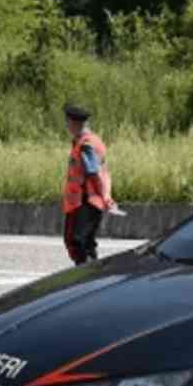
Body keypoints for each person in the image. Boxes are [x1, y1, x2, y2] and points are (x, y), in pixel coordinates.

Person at [61, 102, 115, 265]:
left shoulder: (85, 145)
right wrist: (105, 196)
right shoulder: (94, 140)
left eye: (68, 122)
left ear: (75, 123)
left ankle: (84, 274)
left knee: (76, 241)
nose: (66, 125)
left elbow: (93, 173)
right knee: (87, 242)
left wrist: (104, 196)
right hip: (92, 201)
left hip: (83, 201)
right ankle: (91, 272)